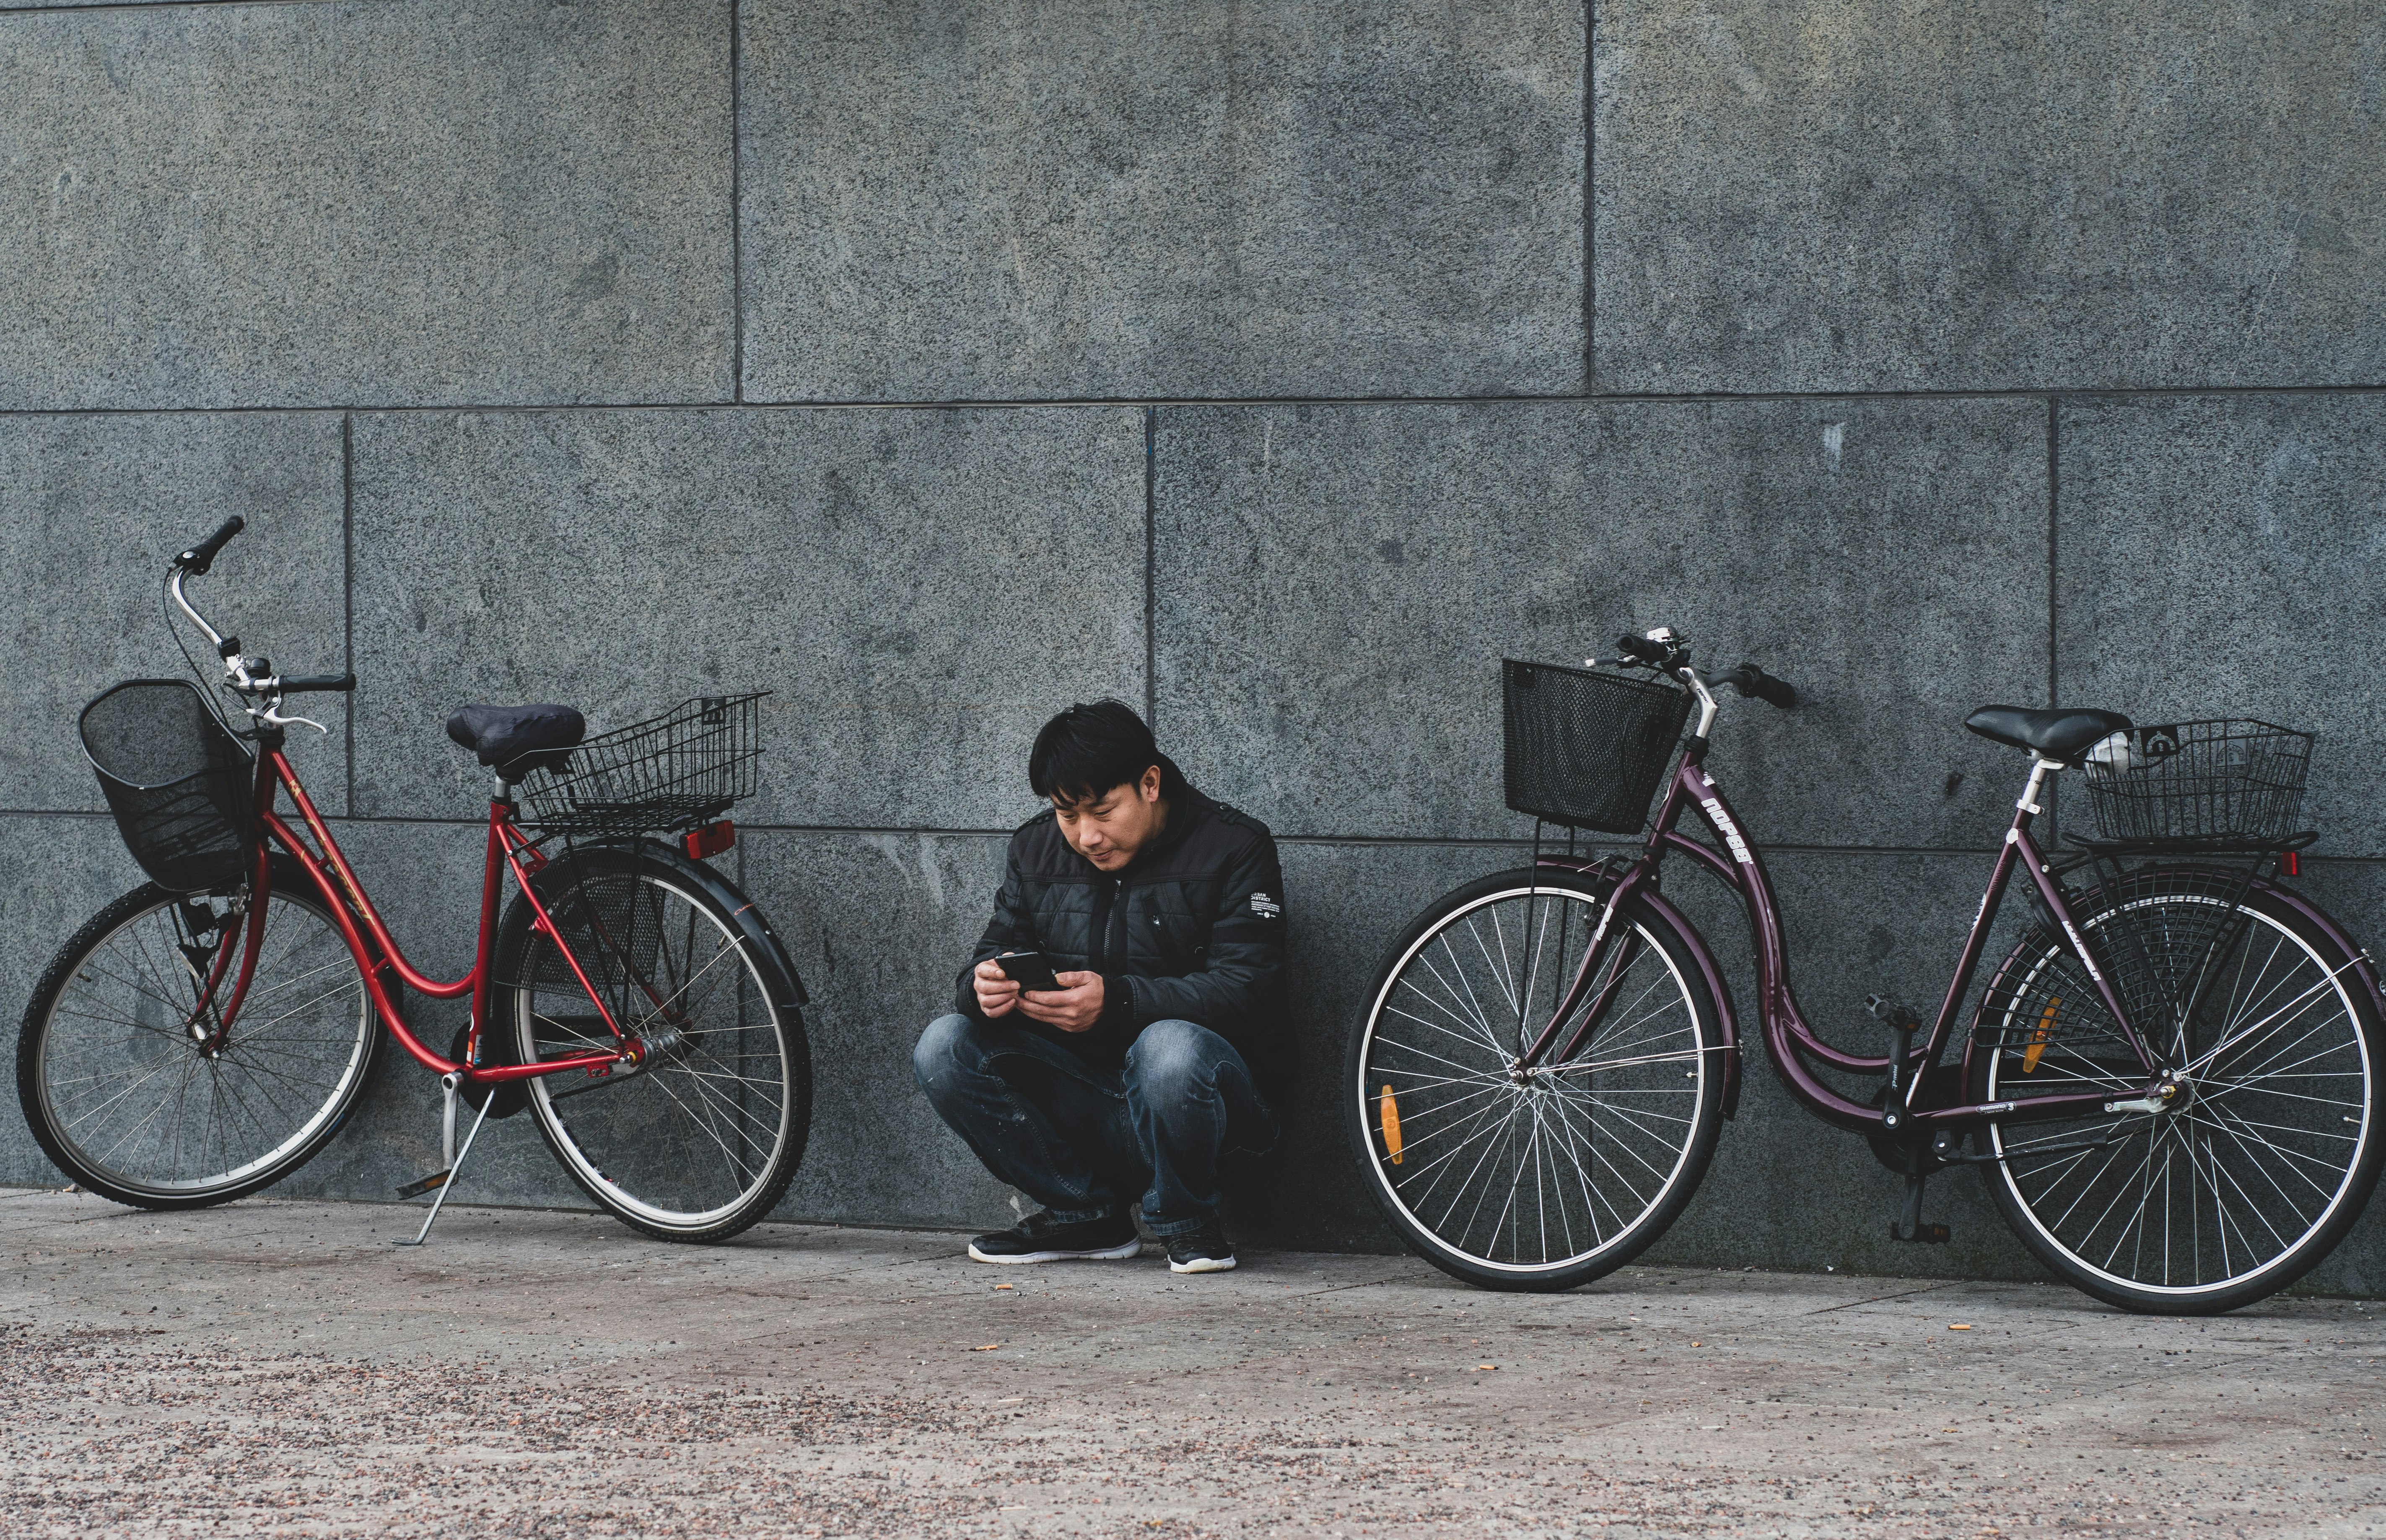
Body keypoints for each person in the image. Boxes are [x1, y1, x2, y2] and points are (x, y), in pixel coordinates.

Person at [913, 700, 1285, 1274]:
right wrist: (982, 989)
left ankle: (1190, 1221)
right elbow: (989, 957)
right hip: (1085, 1102)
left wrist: (1117, 1002)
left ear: (1151, 783)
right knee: (944, 1044)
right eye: (1067, 814)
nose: (1086, 835)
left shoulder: (1235, 846)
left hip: (1203, 1109)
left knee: (1170, 1046)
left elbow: (1251, 992)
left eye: (1104, 810)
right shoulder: (1035, 849)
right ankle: (1083, 1213)